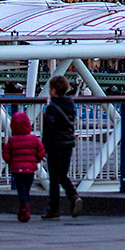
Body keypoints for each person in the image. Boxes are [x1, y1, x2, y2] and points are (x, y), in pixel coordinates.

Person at [41, 75, 83, 220]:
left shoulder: (52, 107)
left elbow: (49, 129)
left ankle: (55, 207)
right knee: (62, 174)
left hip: (55, 145)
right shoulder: (70, 104)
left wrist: (44, 146)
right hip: (68, 144)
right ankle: (73, 196)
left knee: (54, 176)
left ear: (52, 90)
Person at [2, 110, 46, 222]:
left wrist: (11, 162)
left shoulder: (12, 140)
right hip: (30, 169)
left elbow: (6, 154)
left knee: (21, 189)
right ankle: (24, 208)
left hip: (17, 169)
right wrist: (35, 160)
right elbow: (41, 152)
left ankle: (24, 208)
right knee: (26, 189)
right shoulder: (34, 139)